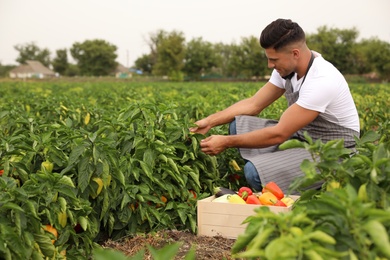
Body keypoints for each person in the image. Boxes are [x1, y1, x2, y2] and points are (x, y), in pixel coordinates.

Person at [190, 18, 360, 193]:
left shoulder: (322, 79)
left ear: (295, 53)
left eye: (274, 59)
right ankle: (276, 169)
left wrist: (226, 142)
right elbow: (253, 104)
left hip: (333, 151)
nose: (270, 65)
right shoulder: (288, 68)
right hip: (304, 135)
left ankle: (280, 202)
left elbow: (280, 133)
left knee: (254, 173)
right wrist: (209, 122)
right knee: (238, 126)